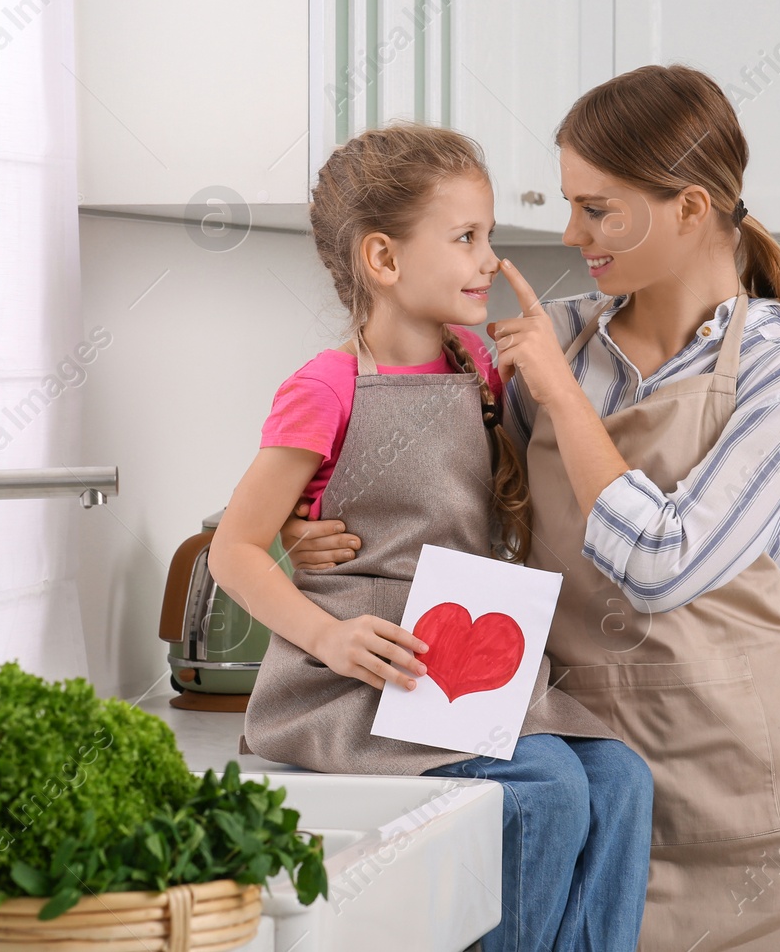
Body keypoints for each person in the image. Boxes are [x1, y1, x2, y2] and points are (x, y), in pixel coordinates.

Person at [281, 67, 780, 951]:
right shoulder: (550, 337)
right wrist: (316, 525)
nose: (571, 234)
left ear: (686, 208)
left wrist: (566, 399)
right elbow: (443, 492)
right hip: (600, 795)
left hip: (766, 813)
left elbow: (661, 564)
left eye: (596, 210)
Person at [208, 123, 653, 952]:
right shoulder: (325, 386)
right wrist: (329, 635)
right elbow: (233, 548)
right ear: (383, 259)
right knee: (549, 789)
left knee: (621, 779)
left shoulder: (479, 367)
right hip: (359, 678)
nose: (490, 258)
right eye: (466, 238)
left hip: (462, 668)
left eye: (487, 236)